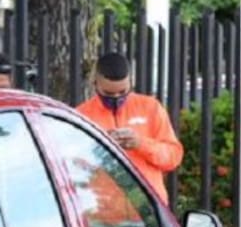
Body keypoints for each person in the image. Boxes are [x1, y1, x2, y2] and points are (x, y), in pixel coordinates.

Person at [76, 51, 183, 204]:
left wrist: (140, 143)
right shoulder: (82, 115)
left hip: (149, 206)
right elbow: (74, 165)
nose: (116, 98)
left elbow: (173, 157)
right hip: (102, 210)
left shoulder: (150, 107)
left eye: (122, 92)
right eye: (108, 93)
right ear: (95, 84)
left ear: (130, 83)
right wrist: (100, 148)